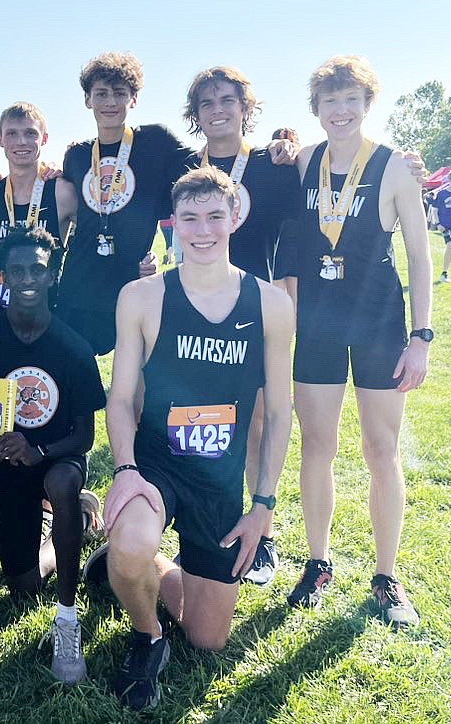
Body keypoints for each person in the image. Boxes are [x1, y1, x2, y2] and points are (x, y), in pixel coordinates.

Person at [92, 166, 292, 710]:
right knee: (133, 540)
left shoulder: (271, 304)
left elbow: (278, 412)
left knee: (209, 639)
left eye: (213, 216)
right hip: (157, 464)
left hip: (220, 479)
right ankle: (147, 633)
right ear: (173, 224)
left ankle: (121, 565)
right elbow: (120, 397)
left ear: (235, 218)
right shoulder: (142, 296)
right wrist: (126, 471)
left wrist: (264, 504)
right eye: (189, 218)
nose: (202, 230)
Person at [289, 56, 431, 629]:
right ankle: (318, 562)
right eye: (330, 101)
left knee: (380, 449)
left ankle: (386, 575)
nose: (340, 111)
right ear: (317, 109)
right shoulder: (301, 162)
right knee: (316, 446)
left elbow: (421, 259)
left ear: (367, 105)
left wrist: (421, 336)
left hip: (378, 325)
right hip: (317, 325)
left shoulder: (396, 166)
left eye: (351, 100)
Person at [0, 226, 105, 684]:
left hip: (58, 458)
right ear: (2, 277)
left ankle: (68, 617)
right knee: (22, 588)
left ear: (52, 275)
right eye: (17, 270)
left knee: (61, 482)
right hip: (8, 466)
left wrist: (40, 450)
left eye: (38, 268)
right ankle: (75, 525)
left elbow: (85, 436)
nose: (28, 278)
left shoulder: (73, 347)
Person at [178, 66, 302, 585]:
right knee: (198, 416)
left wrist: (287, 308)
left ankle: (263, 531)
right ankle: (195, 520)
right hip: (194, 306)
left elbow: (291, 238)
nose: (217, 111)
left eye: (227, 100)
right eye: (206, 104)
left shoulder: (274, 165)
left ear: (244, 107)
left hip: (255, 307)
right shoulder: (186, 167)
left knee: (254, 421)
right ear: (196, 115)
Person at [55, 52, 191, 355]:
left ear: (134, 99)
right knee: (75, 379)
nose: (110, 102)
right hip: (79, 287)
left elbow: (207, 162)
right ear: (87, 100)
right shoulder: (77, 155)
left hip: (133, 285)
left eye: (120, 93)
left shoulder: (157, 142)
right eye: (101, 94)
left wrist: (277, 149)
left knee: (139, 382)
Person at [0, 102, 78, 323]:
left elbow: (94, 240)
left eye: (30, 133)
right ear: (0, 139)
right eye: (11, 133)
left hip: (48, 309)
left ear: (44, 138)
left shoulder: (62, 192)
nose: (21, 141)